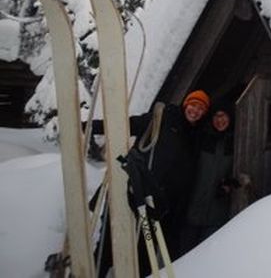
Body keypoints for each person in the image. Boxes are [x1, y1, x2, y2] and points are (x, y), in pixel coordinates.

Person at [90, 89, 211, 276]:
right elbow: (128, 125)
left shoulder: (195, 136)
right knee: (111, 243)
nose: (195, 111)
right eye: (193, 105)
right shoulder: (162, 117)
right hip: (135, 191)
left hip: (157, 206)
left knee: (145, 253)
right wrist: (90, 126)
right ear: (186, 103)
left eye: (201, 109)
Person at [180, 104, 237, 252]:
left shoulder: (236, 142)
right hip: (192, 210)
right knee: (184, 256)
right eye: (216, 116)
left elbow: (241, 172)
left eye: (223, 115)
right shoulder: (201, 138)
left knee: (207, 256)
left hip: (217, 214)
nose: (220, 120)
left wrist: (229, 184)